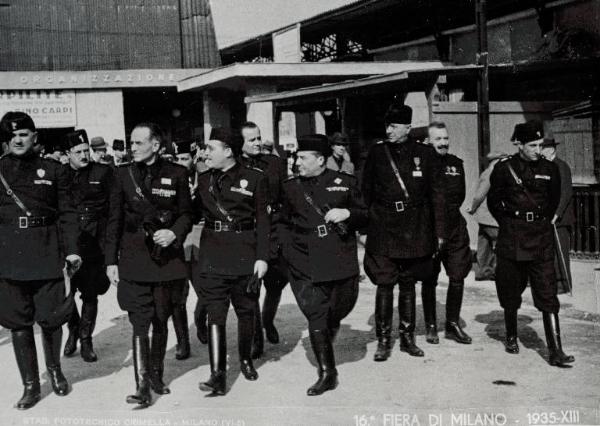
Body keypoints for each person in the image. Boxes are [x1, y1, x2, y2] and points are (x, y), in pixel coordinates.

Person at [108, 122, 193, 406]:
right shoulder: (122, 175)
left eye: (138, 143)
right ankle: (142, 384)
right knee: (140, 321)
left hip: (165, 257)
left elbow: (186, 214)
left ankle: (157, 374)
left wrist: (175, 233)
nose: (132, 148)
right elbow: (114, 221)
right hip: (133, 258)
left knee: (161, 317)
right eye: (131, 143)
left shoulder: (177, 173)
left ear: (155, 145)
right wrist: (111, 261)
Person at [0, 112, 81, 409]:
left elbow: (68, 214)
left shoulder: (54, 170)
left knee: (51, 318)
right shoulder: (0, 170)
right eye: (11, 136)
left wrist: (72, 250)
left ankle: (55, 371)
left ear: (35, 137)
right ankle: (31, 386)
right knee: (18, 322)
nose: (17, 140)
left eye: (23, 134)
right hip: (10, 256)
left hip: (48, 253)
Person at [281, 134, 365, 395]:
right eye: (297, 157)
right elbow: (282, 222)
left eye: (303, 157)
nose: (298, 162)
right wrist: (288, 252)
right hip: (304, 258)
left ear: (320, 159)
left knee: (338, 309)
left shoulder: (345, 182)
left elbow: (367, 214)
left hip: (339, 257)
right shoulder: (290, 187)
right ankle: (328, 373)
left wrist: (348, 214)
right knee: (316, 312)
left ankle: (327, 335)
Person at [362, 103, 445, 361]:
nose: (389, 130)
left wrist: (438, 232)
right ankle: (384, 340)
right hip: (384, 226)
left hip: (415, 226)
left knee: (408, 282)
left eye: (394, 126)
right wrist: (364, 229)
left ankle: (407, 338)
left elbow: (437, 196)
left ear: (407, 127)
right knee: (385, 284)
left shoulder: (425, 153)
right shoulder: (377, 153)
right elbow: (365, 193)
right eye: (387, 125)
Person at [488, 119, 574, 367]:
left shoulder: (550, 169)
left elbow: (553, 199)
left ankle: (556, 350)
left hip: (540, 238)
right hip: (513, 237)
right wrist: (510, 223)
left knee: (547, 291)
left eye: (540, 144)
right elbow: (495, 202)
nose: (538, 149)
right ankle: (512, 335)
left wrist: (538, 222)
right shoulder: (504, 169)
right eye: (533, 145)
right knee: (510, 290)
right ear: (519, 144)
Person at [191, 127, 270, 396]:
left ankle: (245, 360)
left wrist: (262, 257)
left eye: (210, 148)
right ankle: (218, 374)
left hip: (245, 253)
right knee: (216, 311)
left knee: (246, 309)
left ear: (228, 151)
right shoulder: (203, 180)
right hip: (213, 254)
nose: (205, 153)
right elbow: (189, 214)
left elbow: (263, 221)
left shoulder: (255, 178)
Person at [61, 129, 120, 363]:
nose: (84, 155)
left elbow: (113, 210)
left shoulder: (104, 172)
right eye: (79, 152)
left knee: (90, 293)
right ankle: (73, 329)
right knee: (66, 294)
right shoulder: (60, 175)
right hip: (69, 244)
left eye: (86, 150)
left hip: (95, 244)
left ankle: (86, 340)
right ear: (68, 154)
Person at [238, 121, 288, 358]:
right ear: (241, 143)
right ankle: (257, 338)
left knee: (276, 283)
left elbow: (285, 195)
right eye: (251, 140)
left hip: (275, 227)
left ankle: (268, 321)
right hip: (251, 230)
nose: (257, 143)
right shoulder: (235, 167)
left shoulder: (275, 163)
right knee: (253, 285)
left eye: (259, 138)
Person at [420, 122, 472, 345]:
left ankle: (452, 324)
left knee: (458, 275)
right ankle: (431, 325)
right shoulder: (420, 166)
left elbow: (460, 195)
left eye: (445, 138)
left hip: (454, 226)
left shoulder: (455, 164)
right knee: (429, 277)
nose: (443, 143)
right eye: (438, 139)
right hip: (429, 227)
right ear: (427, 142)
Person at [467, 151, 509, 281]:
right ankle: (498, 271)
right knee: (500, 242)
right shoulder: (492, 173)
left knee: (484, 243)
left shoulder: (488, 172)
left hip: (484, 216)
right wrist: (473, 207)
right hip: (490, 216)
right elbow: (480, 194)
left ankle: (482, 272)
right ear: (496, 161)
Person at [541, 138, 574, 294]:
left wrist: (557, 213)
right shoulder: (547, 167)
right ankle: (555, 283)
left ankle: (564, 284)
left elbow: (565, 193)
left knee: (561, 252)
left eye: (543, 148)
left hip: (560, 218)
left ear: (551, 150)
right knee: (551, 252)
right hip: (549, 217)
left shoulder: (561, 167)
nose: (540, 151)